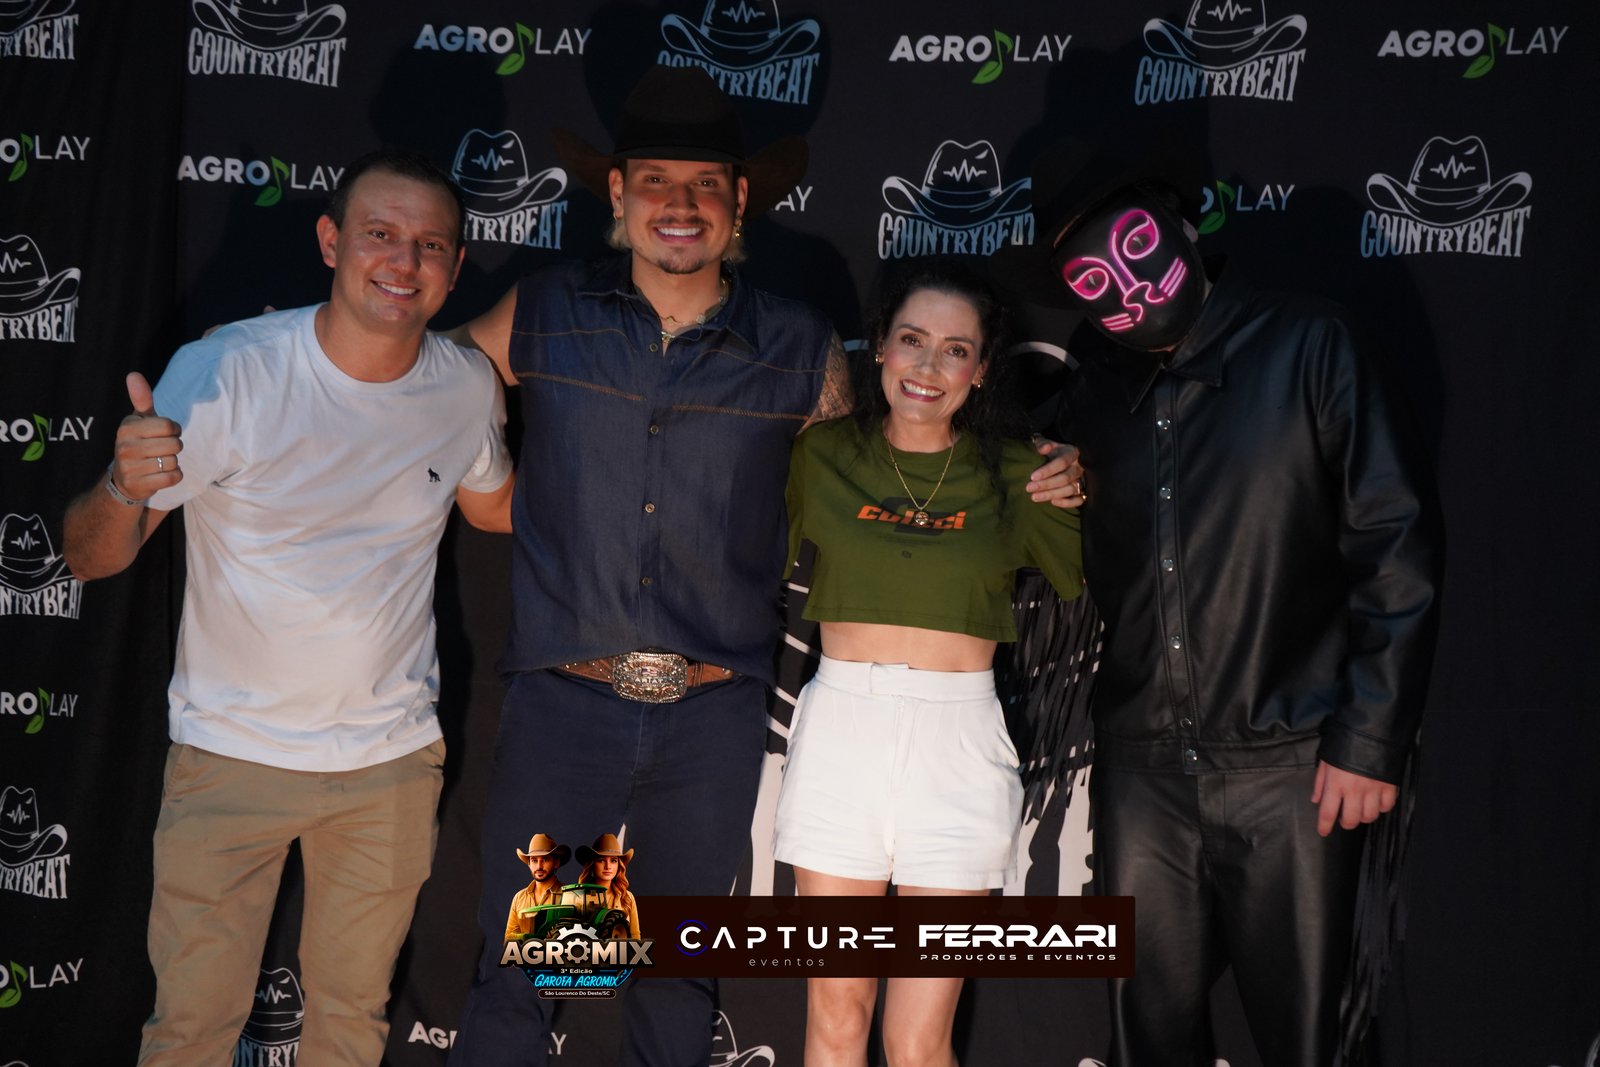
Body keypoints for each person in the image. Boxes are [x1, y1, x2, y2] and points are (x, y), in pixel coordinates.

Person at [445, 66, 1083, 1067]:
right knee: (536, 970)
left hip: (708, 720)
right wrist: (486, 487)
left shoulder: (795, 344)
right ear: (617, 192)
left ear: (740, 199)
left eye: (706, 183)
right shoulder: (547, 310)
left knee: (673, 976)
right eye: (656, 180)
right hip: (571, 709)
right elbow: (427, 382)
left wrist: (1036, 462)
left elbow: (897, 450)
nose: (680, 204)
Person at [60, 149, 515, 1067]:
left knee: (351, 1027)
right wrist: (119, 485)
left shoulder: (464, 386)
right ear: (330, 241)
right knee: (191, 1030)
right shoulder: (228, 372)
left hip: (388, 765)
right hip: (231, 756)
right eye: (380, 233)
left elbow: (493, 504)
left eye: (430, 244)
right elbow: (90, 557)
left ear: (455, 265)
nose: (403, 260)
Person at [991, 138, 1440, 1065]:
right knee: (1149, 1038)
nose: (1125, 284)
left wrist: (1369, 736)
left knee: (1312, 1039)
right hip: (1144, 772)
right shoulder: (1092, 391)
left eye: (1134, 245)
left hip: (1295, 766)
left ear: (1183, 227)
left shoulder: (1310, 345)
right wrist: (1057, 471)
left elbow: (1394, 543)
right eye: (1090, 277)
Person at [777, 261, 1084, 1066]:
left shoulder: (1024, 473)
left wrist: (1080, 477)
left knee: (917, 1040)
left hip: (958, 750)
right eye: (912, 340)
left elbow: (1107, 569)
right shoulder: (820, 456)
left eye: (955, 350)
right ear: (880, 346)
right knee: (836, 1014)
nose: (927, 366)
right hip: (842, 739)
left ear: (981, 370)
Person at [573, 833, 642, 940]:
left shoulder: (627, 897)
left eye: (613, 861)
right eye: (601, 860)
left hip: (622, 950)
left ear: (619, 865)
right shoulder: (578, 897)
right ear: (592, 864)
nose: (608, 866)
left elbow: (635, 936)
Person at [504, 835, 571, 941]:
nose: (539, 866)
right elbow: (509, 940)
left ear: (556, 863)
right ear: (529, 864)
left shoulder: (570, 896)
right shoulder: (519, 898)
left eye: (545, 859)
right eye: (534, 860)